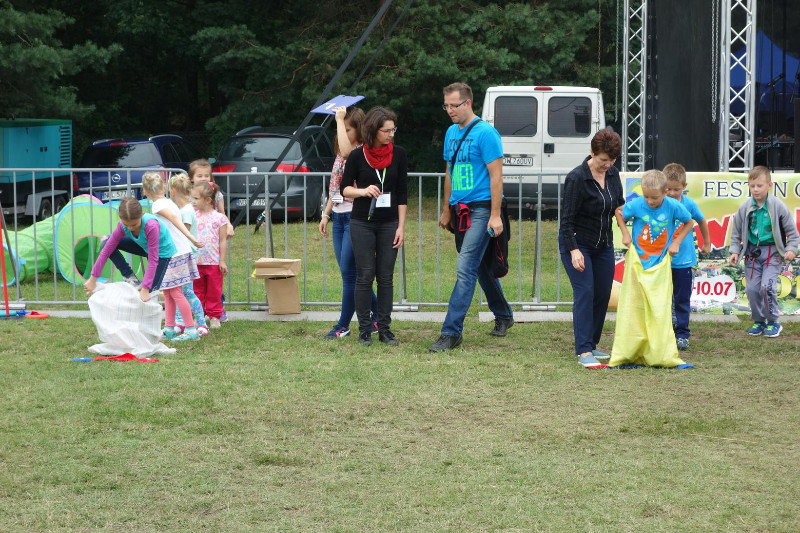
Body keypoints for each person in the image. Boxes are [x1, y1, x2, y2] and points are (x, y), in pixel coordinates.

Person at [429, 82, 514, 352]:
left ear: (467, 103)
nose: (449, 110)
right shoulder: (451, 132)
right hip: (460, 210)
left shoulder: (486, 133)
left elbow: (496, 176)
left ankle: (451, 332)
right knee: (479, 267)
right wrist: (446, 209)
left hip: (482, 209)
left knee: (465, 268)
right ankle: (504, 315)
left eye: (454, 105)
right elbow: (450, 172)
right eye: (446, 106)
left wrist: (495, 215)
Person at [341, 106, 408, 347]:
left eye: (393, 130)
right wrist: (362, 191)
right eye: (386, 131)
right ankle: (365, 330)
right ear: (373, 130)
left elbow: (402, 194)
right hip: (362, 223)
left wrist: (401, 227)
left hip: (390, 223)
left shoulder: (399, 154)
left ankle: (385, 329)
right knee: (365, 276)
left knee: (386, 277)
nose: (391, 134)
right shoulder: (357, 155)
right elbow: (344, 189)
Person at [558, 129, 625, 367]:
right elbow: (566, 220)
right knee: (585, 292)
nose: (608, 165)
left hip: (603, 244)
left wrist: (630, 224)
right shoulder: (577, 178)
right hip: (577, 243)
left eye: (612, 160)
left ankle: (593, 343)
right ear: (592, 152)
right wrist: (574, 250)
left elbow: (618, 206)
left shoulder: (613, 174)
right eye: (604, 160)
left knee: (603, 293)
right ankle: (584, 350)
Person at [318, 105, 378, 339]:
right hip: (339, 216)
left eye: (347, 129)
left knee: (350, 275)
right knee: (349, 273)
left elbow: (346, 152)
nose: (342, 132)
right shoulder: (340, 152)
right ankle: (377, 315)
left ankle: (343, 325)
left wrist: (339, 118)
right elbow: (335, 188)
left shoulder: (361, 151)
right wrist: (326, 214)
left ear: (359, 130)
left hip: (355, 216)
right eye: (341, 129)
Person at [728, 166, 799, 338]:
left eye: (759, 185)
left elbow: (792, 232)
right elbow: (736, 232)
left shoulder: (777, 206)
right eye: (752, 186)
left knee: (767, 287)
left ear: (769, 185)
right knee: (752, 289)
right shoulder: (745, 207)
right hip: (752, 253)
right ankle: (759, 321)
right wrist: (735, 251)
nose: (756, 189)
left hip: (773, 253)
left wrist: (791, 248)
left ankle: (773, 322)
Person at [141, 172, 202, 341]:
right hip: (176, 252)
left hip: (175, 254)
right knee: (168, 292)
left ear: (145, 191)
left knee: (175, 292)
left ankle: (190, 328)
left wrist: (190, 237)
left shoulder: (157, 205)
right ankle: (169, 326)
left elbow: (174, 219)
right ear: (164, 188)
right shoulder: (169, 202)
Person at [83, 197, 174, 304]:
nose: (130, 228)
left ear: (141, 215)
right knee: (106, 241)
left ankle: (158, 302)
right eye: (126, 225)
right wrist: (93, 279)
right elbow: (106, 251)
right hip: (144, 246)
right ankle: (130, 277)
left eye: (134, 224)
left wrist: (145, 288)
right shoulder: (122, 226)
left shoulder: (151, 226)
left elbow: (153, 259)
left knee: (150, 292)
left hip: (162, 253)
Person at [663, 163, 711, 350]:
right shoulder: (659, 203)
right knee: (663, 298)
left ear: (684, 186)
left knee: (682, 299)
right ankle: (664, 332)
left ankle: (682, 333)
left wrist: (706, 243)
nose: (672, 193)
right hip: (662, 261)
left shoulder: (689, 204)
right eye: (668, 189)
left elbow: (701, 220)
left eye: (676, 189)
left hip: (683, 262)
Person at [189, 158, 234, 321]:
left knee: (214, 289)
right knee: (197, 289)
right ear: (191, 178)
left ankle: (216, 314)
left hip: (213, 258)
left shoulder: (216, 200)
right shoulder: (190, 205)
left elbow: (222, 214)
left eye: (206, 175)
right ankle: (199, 316)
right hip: (196, 259)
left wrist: (228, 225)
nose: (203, 178)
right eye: (199, 175)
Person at [169, 172, 209, 336]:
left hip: (185, 256)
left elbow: (182, 233)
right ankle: (180, 322)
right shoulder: (184, 209)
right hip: (182, 255)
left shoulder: (185, 211)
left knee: (187, 292)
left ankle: (201, 323)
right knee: (179, 291)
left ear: (173, 192)